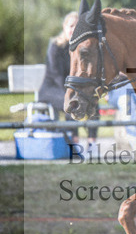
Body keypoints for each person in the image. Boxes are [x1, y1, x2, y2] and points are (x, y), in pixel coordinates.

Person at [38, 11, 98, 153]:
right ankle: (74, 144)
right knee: (71, 102)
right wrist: (74, 93)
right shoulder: (55, 46)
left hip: (72, 89)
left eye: (77, 27)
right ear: (64, 27)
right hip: (52, 88)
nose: (73, 29)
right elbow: (57, 75)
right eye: (71, 26)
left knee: (93, 101)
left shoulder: (81, 48)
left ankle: (92, 145)